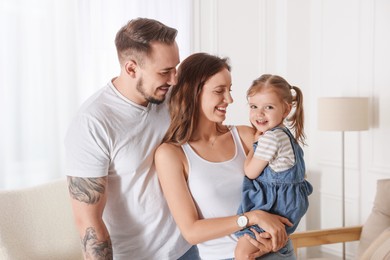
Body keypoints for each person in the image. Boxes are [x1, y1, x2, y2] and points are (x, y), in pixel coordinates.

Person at [64, 18, 198, 259]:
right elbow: (88, 221)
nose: (174, 79)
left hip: (187, 247)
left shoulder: (168, 97)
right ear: (131, 68)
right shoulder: (92, 123)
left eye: (175, 68)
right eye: (165, 72)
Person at [155, 53, 295, 260]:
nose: (229, 99)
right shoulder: (171, 154)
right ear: (193, 93)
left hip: (274, 251)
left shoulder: (246, 136)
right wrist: (251, 218)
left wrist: (274, 240)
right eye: (219, 91)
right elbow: (192, 232)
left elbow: (286, 187)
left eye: (229, 90)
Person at [234, 74, 313, 259]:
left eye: (268, 107)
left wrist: (254, 146)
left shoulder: (269, 138)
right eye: (254, 106)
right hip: (289, 207)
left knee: (243, 251)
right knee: (262, 248)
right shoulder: (285, 135)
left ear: (286, 109)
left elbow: (250, 172)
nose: (259, 114)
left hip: (276, 208)